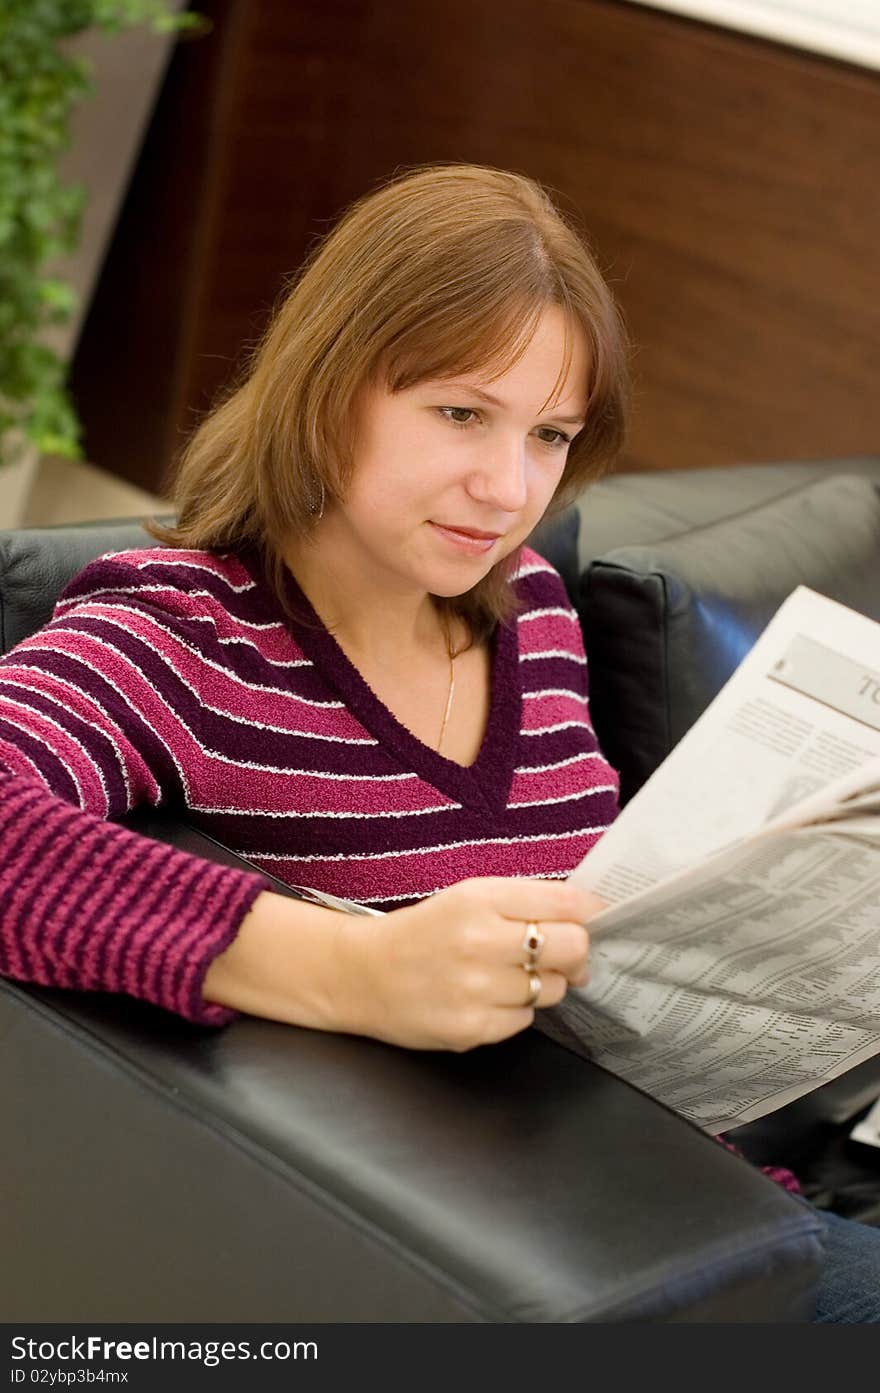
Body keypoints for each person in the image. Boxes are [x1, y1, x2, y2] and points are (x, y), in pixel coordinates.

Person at [0, 163, 876, 1319]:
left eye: (549, 434)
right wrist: (358, 969)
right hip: (487, 1262)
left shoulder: (532, 616)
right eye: (460, 412)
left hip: (697, 1207)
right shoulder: (188, 633)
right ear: (325, 390)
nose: (507, 487)